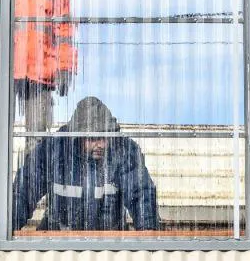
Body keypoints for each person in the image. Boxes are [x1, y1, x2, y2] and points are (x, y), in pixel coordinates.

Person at [12, 96, 159, 233]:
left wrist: (148, 235)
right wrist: (7, 229)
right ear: (78, 137)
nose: (101, 145)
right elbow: (25, 190)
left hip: (110, 243)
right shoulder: (54, 150)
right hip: (57, 240)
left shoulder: (124, 151)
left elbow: (141, 193)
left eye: (105, 137)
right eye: (93, 139)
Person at [0, 0, 77, 133]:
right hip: (3, 72)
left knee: (37, 135)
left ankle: (35, 150)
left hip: (40, 76)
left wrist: (65, 68)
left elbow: (65, 34)